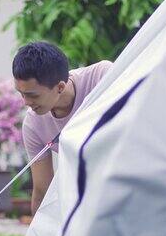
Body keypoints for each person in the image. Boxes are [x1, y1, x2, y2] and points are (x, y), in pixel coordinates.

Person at [13, 41, 112, 215]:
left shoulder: (103, 77)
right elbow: (42, 189)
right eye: (21, 94)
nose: (26, 103)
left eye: (32, 95)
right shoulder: (33, 125)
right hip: (85, 190)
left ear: (60, 87)